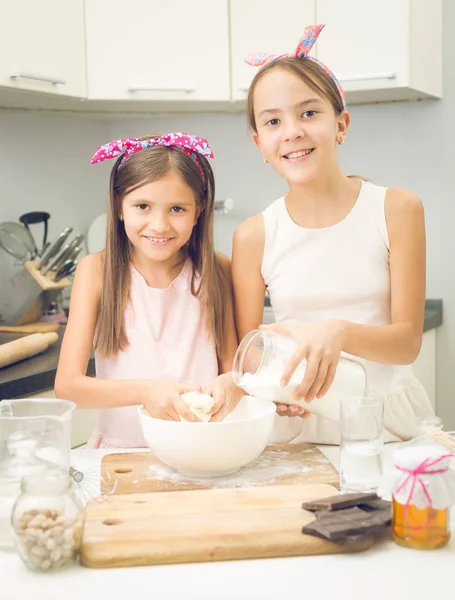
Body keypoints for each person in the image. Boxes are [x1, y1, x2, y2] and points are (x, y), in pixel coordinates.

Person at [232, 25, 434, 444]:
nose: (292, 131)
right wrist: (270, 385)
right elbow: (247, 348)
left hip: (386, 422)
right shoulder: (253, 236)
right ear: (260, 144)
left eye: (309, 113)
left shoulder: (396, 209)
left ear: (341, 124)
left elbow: (407, 343)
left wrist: (337, 331)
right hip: (298, 422)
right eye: (273, 121)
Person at [55, 132, 242, 448]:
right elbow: (68, 387)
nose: (159, 225)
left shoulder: (217, 270)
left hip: (203, 450)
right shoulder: (96, 272)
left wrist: (232, 383)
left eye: (177, 209)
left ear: (199, 210)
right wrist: (147, 391)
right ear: (119, 206)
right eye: (143, 206)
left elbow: (232, 371)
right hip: (119, 455)